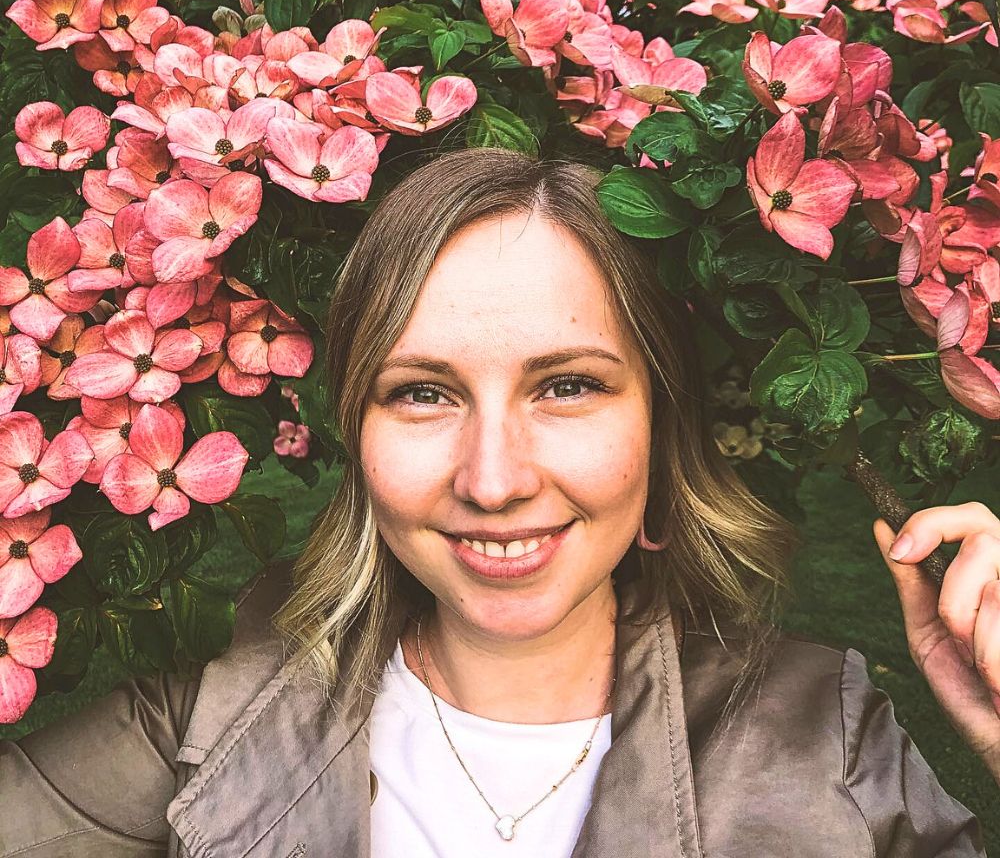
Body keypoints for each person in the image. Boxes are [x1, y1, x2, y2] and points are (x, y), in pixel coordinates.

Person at [1, 147, 997, 857]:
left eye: (566, 385)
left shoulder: (823, 733)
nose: (492, 477)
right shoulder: (194, 730)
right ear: (360, 436)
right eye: (422, 392)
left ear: (660, 426)